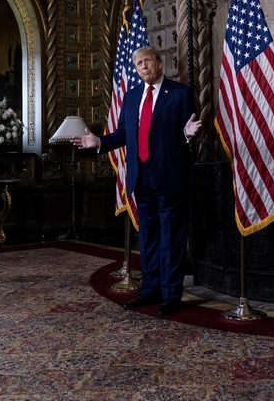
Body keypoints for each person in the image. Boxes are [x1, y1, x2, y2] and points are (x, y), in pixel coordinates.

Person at [73, 46, 201, 316]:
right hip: (140, 177)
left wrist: (187, 133)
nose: (143, 67)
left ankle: (170, 295)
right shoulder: (131, 98)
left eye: (147, 61)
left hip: (171, 177)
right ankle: (149, 291)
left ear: (159, 63)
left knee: (170, 240)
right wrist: (100, 142)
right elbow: (124, 133)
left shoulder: (179, 93)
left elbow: (189, 130)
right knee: (149, 239)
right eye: (138, 64)